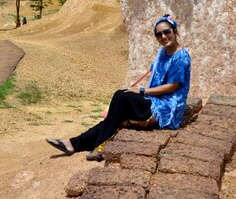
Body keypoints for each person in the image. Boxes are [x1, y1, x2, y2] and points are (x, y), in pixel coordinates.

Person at [46, 14, 191, 161]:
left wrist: (141, 91)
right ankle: (72, 144)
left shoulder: (181, 56)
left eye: (167, 31)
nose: (163, 36)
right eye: (159, 34)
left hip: (167, 108)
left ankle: (98, 146)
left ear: (175, 31)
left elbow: (172, 87)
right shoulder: (163, 52)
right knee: (118, 103)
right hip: (155, 99)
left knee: (121, 100)